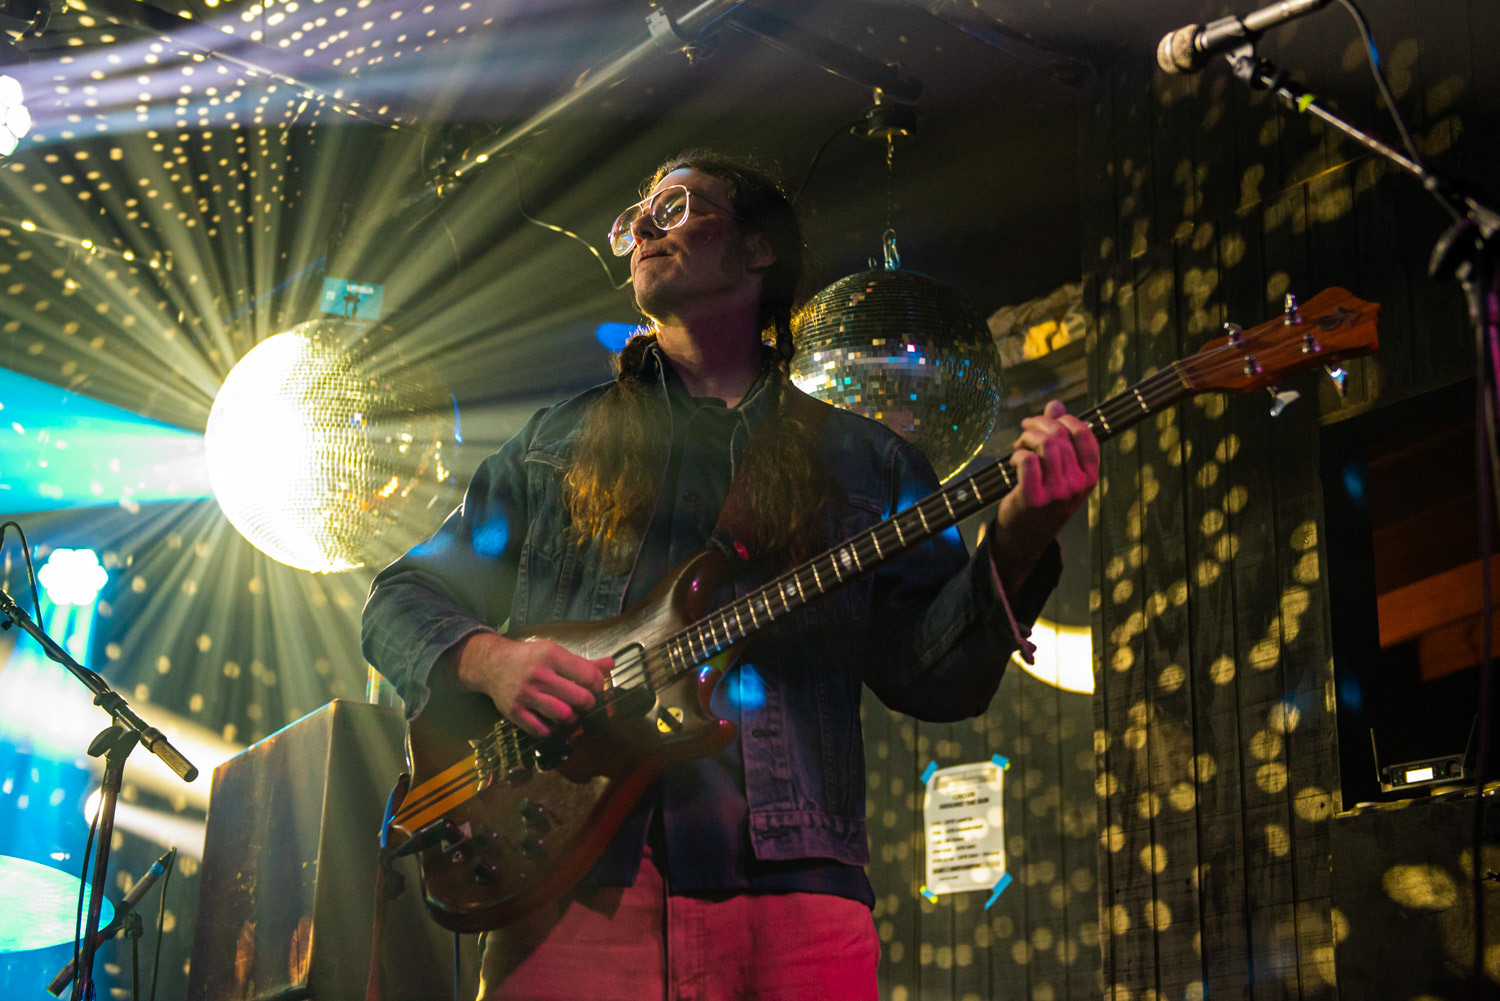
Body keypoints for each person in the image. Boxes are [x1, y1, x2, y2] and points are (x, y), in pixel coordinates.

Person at [360, 149, 1098, 1001]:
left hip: (790, 898)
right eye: (637, 215)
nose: (645, 224)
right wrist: (494, 661)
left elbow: (936, 677)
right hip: (573, 889)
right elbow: (399, 599)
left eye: (676, 206)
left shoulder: (867, 461)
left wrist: (1020, 536)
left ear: (757, 249)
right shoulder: (553, 444)